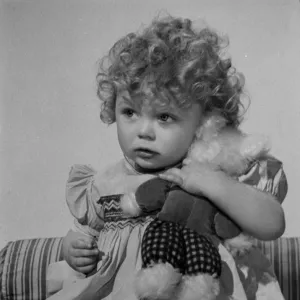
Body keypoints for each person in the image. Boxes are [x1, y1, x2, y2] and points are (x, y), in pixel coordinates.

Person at [47, 15, 288, 300]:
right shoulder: (105, 183)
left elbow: (273, 224)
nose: (143, 131)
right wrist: (73, 248)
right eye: (129, 113)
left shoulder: (211, 172)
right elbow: (83, 232)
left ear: (205, 122)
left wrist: (212, 183)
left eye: (164, 116)